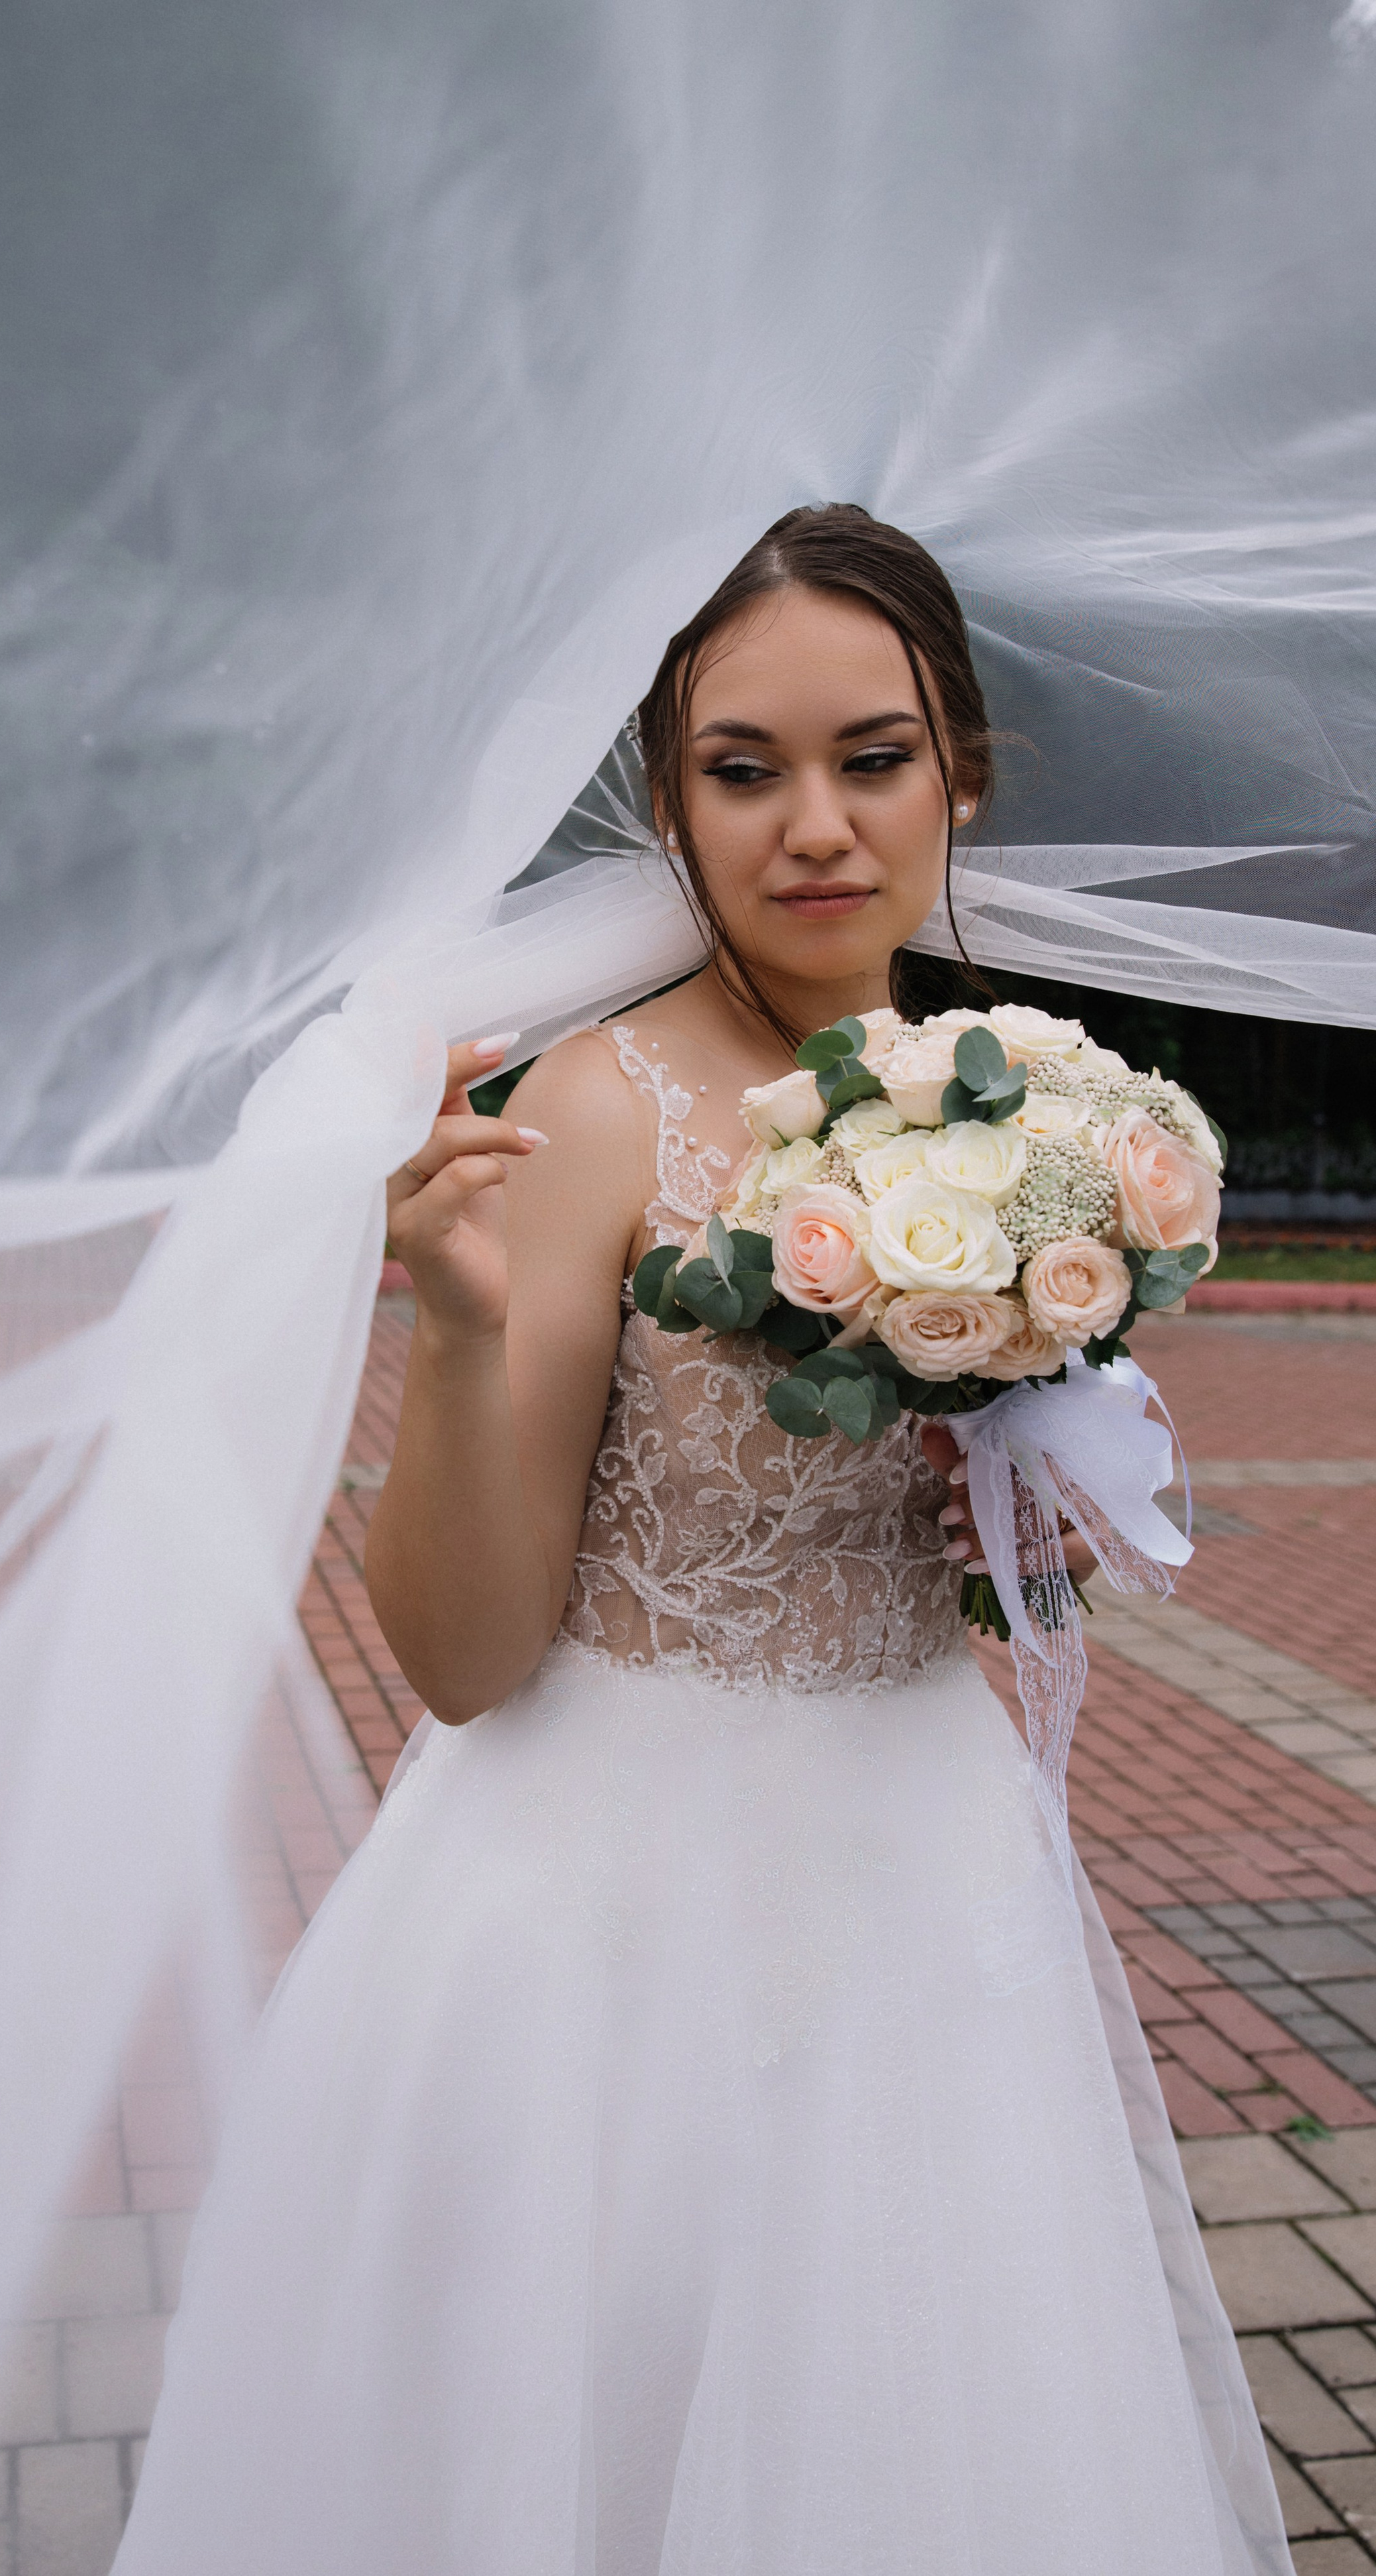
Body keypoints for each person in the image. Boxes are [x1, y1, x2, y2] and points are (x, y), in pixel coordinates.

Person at [111, 508, 1284, 2574]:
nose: (815, 824)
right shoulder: (594, 1107)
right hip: (604, 1927)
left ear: (962, 774)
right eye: (744, 768)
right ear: (669, 794)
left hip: (916, 1885)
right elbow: (464, 1662)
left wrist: (1016, 1506)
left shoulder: (1034, 1128)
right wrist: (462, 1332)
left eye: (875, 757)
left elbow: (1004, 1567)